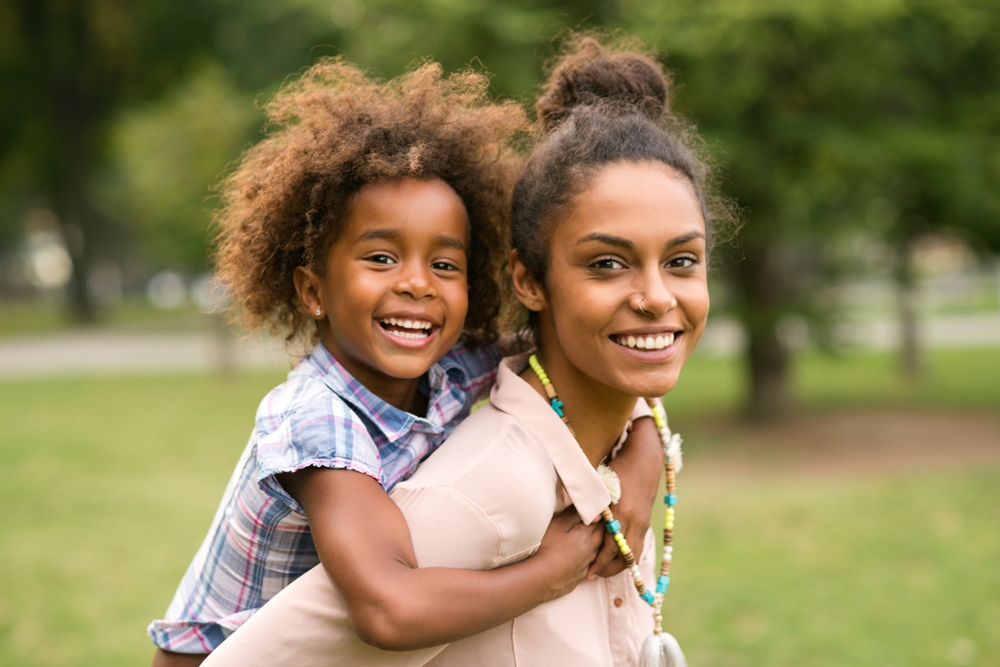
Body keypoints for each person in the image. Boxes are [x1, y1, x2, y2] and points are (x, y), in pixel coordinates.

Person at [199, 35, 737, 667]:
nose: (417, 284)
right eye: (380, 257)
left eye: (445, 263)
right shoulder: (318, 421)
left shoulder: (452, 364)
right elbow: (386, 608)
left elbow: (598, 350)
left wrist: (641, 455)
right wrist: (551, 571)